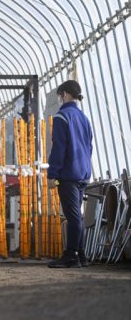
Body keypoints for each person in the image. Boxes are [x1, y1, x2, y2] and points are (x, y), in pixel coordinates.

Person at [48, 79, 93, 268]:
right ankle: (81, 255)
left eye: (60, 95)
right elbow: (89, 147)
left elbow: (59, 147)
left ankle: (71, 255)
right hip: (83, 172)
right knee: (77, 216)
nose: (59, 99)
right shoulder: (84, 118)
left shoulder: (62, 117)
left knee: (73, 216)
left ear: (65, 94)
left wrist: (52, 173)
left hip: (68, 174)